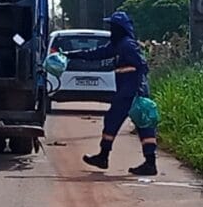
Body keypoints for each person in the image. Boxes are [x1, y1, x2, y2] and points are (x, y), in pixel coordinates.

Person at [64, 11, 158, 176]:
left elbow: (141, 66)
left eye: (113, 27)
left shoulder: (127, 45)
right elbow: (96, 54)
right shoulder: (118, 44)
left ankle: (105, 157)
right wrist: (71, 55)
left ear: (120, 28)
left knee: (125, 122)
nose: (111, 30)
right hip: (127, 90)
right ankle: (146, 163)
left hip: (132, 91)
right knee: (138, 125)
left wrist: (139, 90)